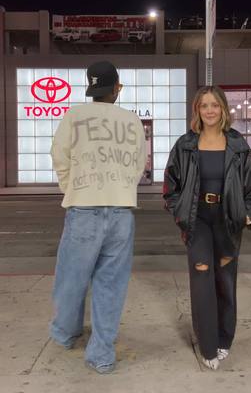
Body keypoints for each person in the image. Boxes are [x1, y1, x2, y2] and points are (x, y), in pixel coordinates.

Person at [50, 61, 147, 374]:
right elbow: (138, 165)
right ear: (117, 87)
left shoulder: (73, 117)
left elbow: (59, 157)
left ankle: (66, 333)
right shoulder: (132, 121)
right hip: (121, 211)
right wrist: (121, 189)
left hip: (83, 209)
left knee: (71, 279)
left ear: (91, 89)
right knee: (111, 285)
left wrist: (73, 188)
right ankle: (102, 354)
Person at [163, 86, 251, 370]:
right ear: (197, 110)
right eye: (204, 105)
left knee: (225, 278)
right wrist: (179, 212)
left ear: (222, 109)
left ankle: (224, 339)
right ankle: (207, 344)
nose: (209, 110)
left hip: (229, 220)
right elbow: (170, 185)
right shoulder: (185, 144)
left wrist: (248, 213)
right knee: (201, 276)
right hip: (197, 220)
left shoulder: (237, 144)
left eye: (214, 105)